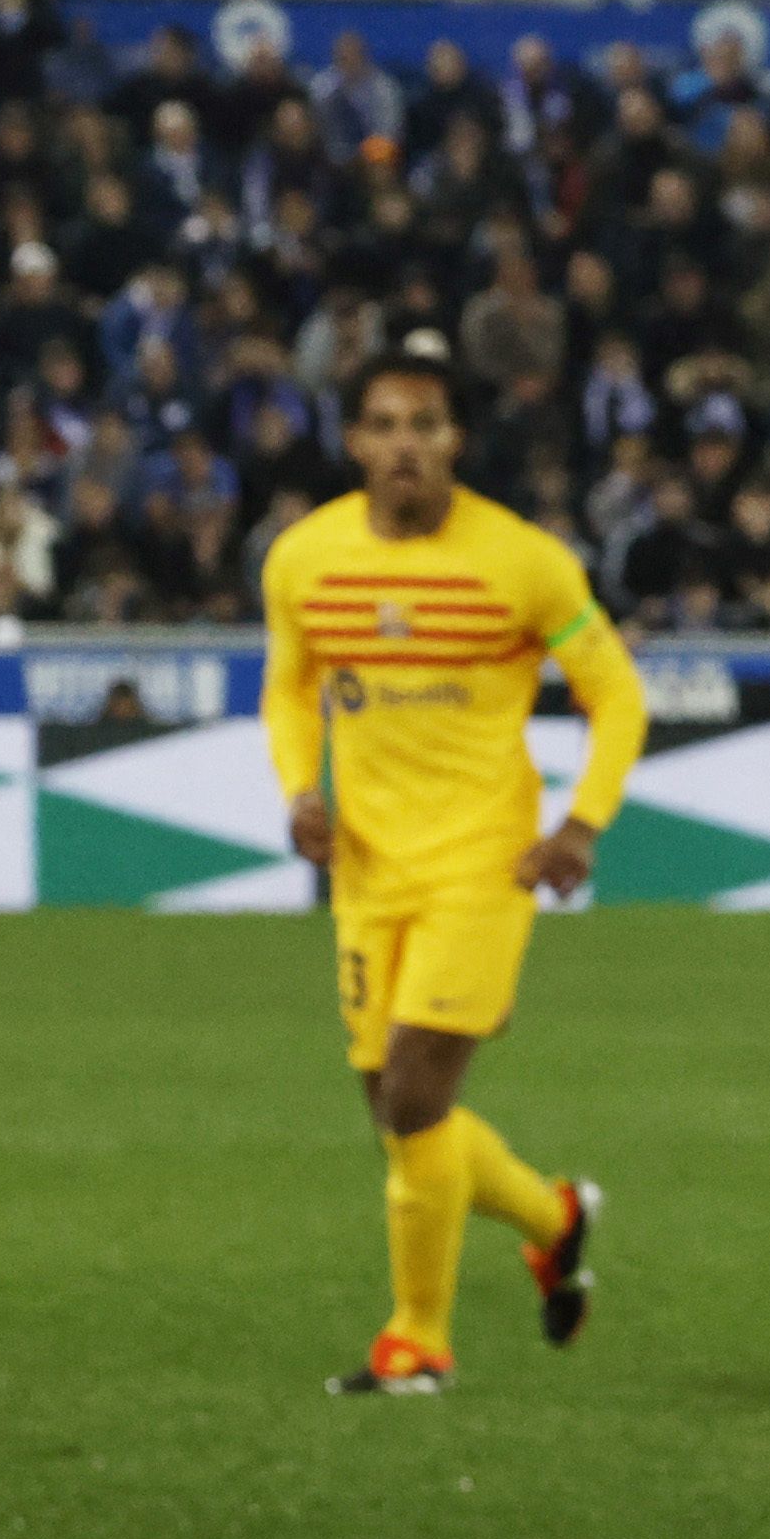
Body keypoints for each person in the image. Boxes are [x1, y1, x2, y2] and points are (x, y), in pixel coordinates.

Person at [266, 338, 640, 1396]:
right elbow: (290, 687)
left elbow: (617, 694)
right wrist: (302, 789)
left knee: (416, 1096)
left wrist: (581, 826)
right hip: (366, 873)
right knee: (393, 1114)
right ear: (352, 439)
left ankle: (416, 1344)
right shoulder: (303, 557)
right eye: (383, 425)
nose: (404, 446)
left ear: (456, 441)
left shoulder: (522, 559)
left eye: (425, 426)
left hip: (484, 864)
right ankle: (552, 1215)